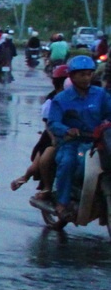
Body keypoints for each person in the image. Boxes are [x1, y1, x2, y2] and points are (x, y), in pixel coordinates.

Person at [45, 54, 111, 222]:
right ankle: (62, 201)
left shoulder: (100, 94)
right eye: (82, 74)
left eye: (89, 74)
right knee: (68, 162)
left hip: (97, 142)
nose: (86, 78)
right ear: (72, 76)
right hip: (72, 142)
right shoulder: (61, 99)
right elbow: (53, 122)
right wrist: (67, 130)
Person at [16, 64, 70, 201]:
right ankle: (44, 186)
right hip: (54, 136)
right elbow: (48, 123)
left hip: (75, 136)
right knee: (42, 161)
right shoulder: (52, 100)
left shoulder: (81, 97)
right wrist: (54, 139)